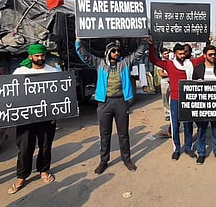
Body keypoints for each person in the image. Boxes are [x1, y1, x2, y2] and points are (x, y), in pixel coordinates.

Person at [76, 38, 147, 174]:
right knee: (105, 134)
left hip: (121, 102)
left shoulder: (125, 63)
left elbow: (138, 54)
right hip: (104, 103)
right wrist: (78, 42)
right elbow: (84, 55)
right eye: (113, 51)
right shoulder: (99, 63)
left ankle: (126, 160)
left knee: (123, 134)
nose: (116, 53)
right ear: (108, 52)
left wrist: (144, 43)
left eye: (118, 51)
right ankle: (103, 161)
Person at [9, 44, 59, 194]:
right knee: (25, 148)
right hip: (26, 118)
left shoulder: (53, 71)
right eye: (36, 56)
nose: (40, 58)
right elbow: (9, 94)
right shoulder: (20, 72)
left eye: (42, 55)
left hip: (47, 116)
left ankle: (43, 171)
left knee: (45, 145)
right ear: (30, 57)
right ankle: (22, 176)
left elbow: (60, 92)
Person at [149, 40, 204, 161]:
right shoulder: (169, 64)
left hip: (188, 100)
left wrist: (208, 41)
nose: (182, 56)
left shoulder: (190, 63)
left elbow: (203, 57)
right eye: (180, 54)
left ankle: (188, 148)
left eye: (184, 53)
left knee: (188, 125)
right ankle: (176, 149)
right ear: (175, 54)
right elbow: (154, 60)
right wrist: (151, 44)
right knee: (175, 126)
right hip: (174, 100)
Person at [192, 45, 216, 165]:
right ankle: (201, 153)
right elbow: (192, 86)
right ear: (205, 55)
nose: (213, 56)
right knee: (201, 129)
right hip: (202, 105)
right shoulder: (198, 69)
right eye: (210, 54)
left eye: (215, 54)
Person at [155, 47, 172, 137]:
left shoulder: (171, 61)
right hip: (165, 82)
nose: (167, 55)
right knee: (165, 99)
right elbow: (161, 74)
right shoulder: (160, 63)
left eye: (167, 53)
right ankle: (167, 114)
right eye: (165, 53)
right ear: (162, 54)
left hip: (171, 81)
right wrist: (171, 73)